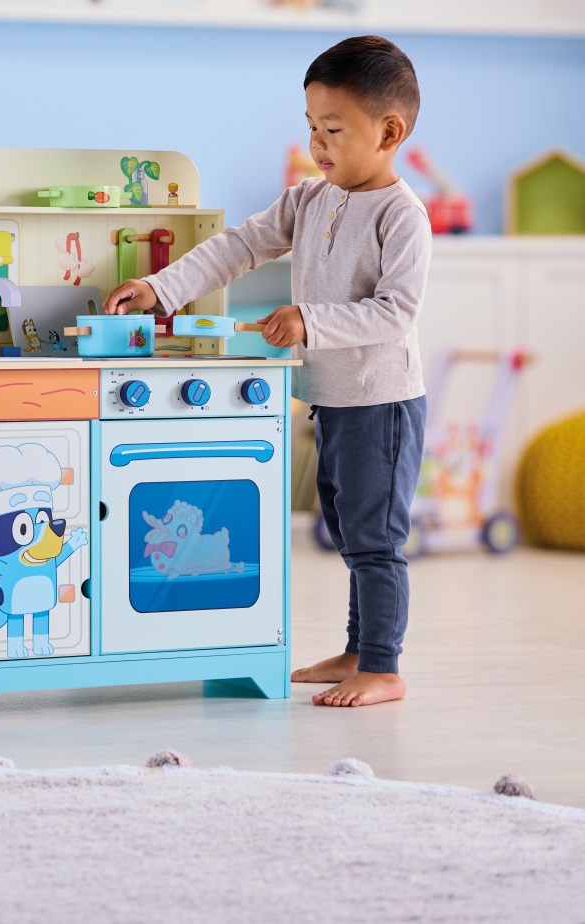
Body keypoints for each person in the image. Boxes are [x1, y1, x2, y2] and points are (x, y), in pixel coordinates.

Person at [102, 35, 430, 707]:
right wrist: (161, 290)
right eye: (312, 127)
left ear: (389, 131)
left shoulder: (402, 215)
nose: (318, 143)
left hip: (382, 402)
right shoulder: (311, 199)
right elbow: (240, 245)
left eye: (334, 129)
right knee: (345, 529)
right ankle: (356, 649)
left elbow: (395, 312)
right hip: (333, 397)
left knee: (375, 538)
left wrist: (308, 320)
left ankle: (384, 666)